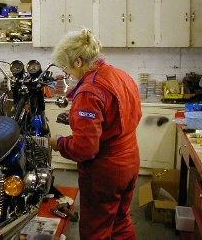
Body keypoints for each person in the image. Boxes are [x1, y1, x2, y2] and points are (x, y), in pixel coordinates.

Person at [50, 28, 142, 240]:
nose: (69, 73)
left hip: (105, 172)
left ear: (79, 62)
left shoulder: (89, 91)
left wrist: (59, 142)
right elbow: (127, 116)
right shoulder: (121, 75)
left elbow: (85, 149)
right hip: (130, 161)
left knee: (96, 229)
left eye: (68, 67)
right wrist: (79, 119)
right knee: (121, 220)